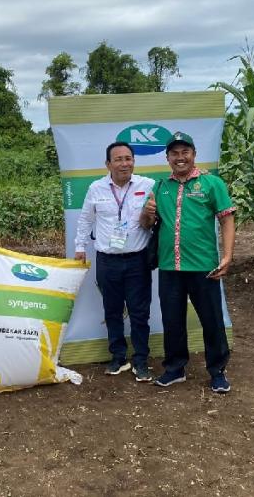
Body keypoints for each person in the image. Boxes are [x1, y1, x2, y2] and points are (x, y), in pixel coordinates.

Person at [140, 131, 235, 394]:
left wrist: (227, 256)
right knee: (172, 320)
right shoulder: (160, 187)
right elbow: (147, 225)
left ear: (194, 155)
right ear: (168, 157)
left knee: (212, 319)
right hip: (170, 266)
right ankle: (175, 368)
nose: (180, 158)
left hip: (204, 266)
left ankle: (217, 371)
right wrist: (146, 215)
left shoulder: (212, 183)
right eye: (174, 153)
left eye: (185, 152)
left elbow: (227, 219)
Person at [75, 141, 155, 380]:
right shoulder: (96, 188)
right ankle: (118, 357)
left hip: (138, 260)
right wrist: (80, 247)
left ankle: (141, 360)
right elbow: (85, 220)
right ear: (108, 164)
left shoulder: (147, 185)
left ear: (134, 161)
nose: (124, 163)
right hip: (107, 261)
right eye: (118, 159)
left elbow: (173, 187)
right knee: (112, 311)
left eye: (128, 158)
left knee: (140, 313)